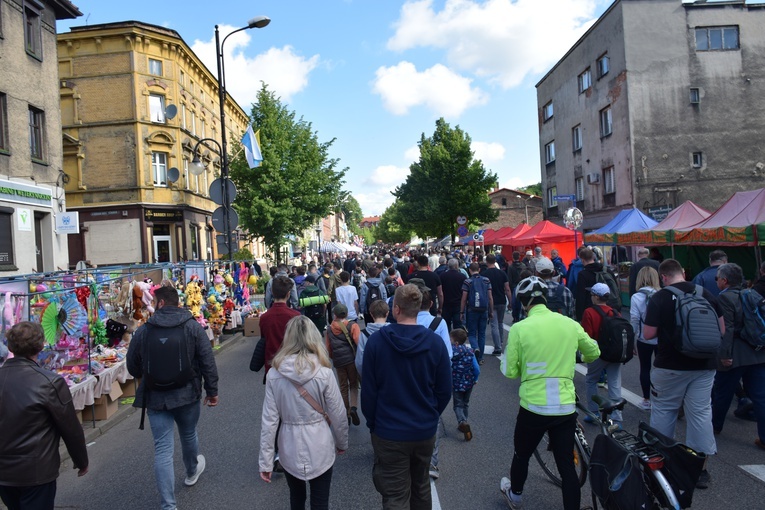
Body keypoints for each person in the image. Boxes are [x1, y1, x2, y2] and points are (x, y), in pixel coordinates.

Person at [499, 277, 600, 510]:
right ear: (545, 298)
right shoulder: (568, 323)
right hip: (564, 405)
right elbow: (593, 352)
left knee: (521, 454)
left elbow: (510, 371)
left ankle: (515, 496)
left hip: (533, 405)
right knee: (566, 464)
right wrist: (574, 356)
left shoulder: (520, 328)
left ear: (524, 303)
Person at [127, 285, 219, 510]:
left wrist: (147, 375)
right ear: (177, 303)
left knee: (162, 449)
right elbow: (207, 360)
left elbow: (132, 366)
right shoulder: (191, 326)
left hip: (156, 397)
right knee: (188, 434)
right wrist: (212, 391)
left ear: (160, 303)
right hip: (187, 394)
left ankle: (168, 505)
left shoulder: (144, 330)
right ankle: (191, 471)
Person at [361, 284, 452, 510]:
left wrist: (373, 423)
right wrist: (431, 415)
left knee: (395, 493)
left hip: (388, 429)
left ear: (395, 309)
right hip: (423, 428)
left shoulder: (376, 342)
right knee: (421, 486)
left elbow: (369, 391)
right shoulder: (435, 343)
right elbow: (444, 389)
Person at [643, 258, 723, 489]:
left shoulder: (660, 297)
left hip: (670, 365)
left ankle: (662, 465)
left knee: (664, 410)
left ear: (663, 277)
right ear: (683, 273)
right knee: (700, 413)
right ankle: (699, 469)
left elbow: (648, 334)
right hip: (704, 365)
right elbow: (721, 330)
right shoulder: (706, 294)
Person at [259, 316, 349, 510]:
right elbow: (338, 412)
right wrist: (342, 442)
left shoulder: (274, 374)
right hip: (320, 442)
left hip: (288, 444)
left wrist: (266, 462)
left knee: (296, 499)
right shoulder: (324, 372)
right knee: (320, 502)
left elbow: (270, 420)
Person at [0, 322, 89, 510]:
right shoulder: (49, 382)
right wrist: (81, 461)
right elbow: (70, 428)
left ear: (10, 346)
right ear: (41, 346)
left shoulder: (48, 381)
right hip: (36, 471)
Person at [710, 263, 765, 449]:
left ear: (724, 280)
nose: (716, 281)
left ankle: (715, 427)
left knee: (722, 392)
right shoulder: (752, 293)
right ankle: (764, 437)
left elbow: (727, 329)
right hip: (757, 352)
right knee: (760, 396)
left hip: (735, 354)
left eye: (717, 278)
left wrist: (724, 355)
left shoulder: (725, 298)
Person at [581, 283, 624, 427]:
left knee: (591, 380)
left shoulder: (589, 312)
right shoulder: (615, 312)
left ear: (595, 297)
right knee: (614, 383)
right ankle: (617, 419)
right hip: (615, 353)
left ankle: (593, 413)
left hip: (598, 353)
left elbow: (588, 336)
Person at [630, 266, 660, 410]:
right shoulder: (662, 294)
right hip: (662, 338)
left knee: (645, 367)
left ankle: (646, 399)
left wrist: (632, 340)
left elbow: (634, 319)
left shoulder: (636, 297)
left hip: (644, 338)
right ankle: (662, 397)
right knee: (662, 368)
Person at [326, 304, 362, 426]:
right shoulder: (353, 326)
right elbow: (359, 343)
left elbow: (328, 348)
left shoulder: (330, 329)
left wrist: (333, 358)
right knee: (353, 385)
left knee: (343, 387)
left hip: (338, 362)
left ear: (334, 315)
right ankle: (353, 408)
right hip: (351, 360)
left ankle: (346, 414)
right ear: (346, 314)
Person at [461, 262, 494, 364]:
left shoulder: (468, 281)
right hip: (483, 310)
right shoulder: (486, 280)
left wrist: (461, 311)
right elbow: (490, 297)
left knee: (471, 333)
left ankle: (475, 348)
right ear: (479, 269)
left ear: (470, 270)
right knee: (482, 333)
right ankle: (481, 358)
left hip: (472, 310)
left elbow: (464, 298)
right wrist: (491, 311)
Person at [450, 328, 480, 442]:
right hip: (469, 383)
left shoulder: (452, 353)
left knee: (457, 404)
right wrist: (475, 378)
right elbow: (476, 368)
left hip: (456, 383)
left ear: (456, 342)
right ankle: (465, 421)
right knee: (465, 403)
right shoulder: (470, 352)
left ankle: (462, 421)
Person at [482, 254, 513, 356]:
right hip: (502, 300)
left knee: (494, 324)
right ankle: (501, 341)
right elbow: (507, 289)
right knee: (500, 322)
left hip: (490, 301)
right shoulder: (502, 273)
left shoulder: (484, 274)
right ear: (495, 261)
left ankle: (498, 347)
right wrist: (510, 301)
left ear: (487, 262)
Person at [355, 299, 390, 376]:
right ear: (387, 313)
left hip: (373, 375)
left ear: (371, 314)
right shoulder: (394, 331)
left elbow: (360, 361)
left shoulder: (364, 334)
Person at [440, 258, 467, 331]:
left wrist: (440, 306)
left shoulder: (442, 276)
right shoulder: (462, 276)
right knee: (457, 325)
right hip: (458, 303)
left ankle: (447, 340)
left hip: (446, 303)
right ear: (457, 266)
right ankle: (457, 340)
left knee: (446, 325)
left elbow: (440, 291)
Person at [574, 247, 600, 321]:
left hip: (590, 308)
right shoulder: (605, 270)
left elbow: (580, 295)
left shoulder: (582, 274)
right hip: (606, 306)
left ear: (582, 259)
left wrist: (579, 316)